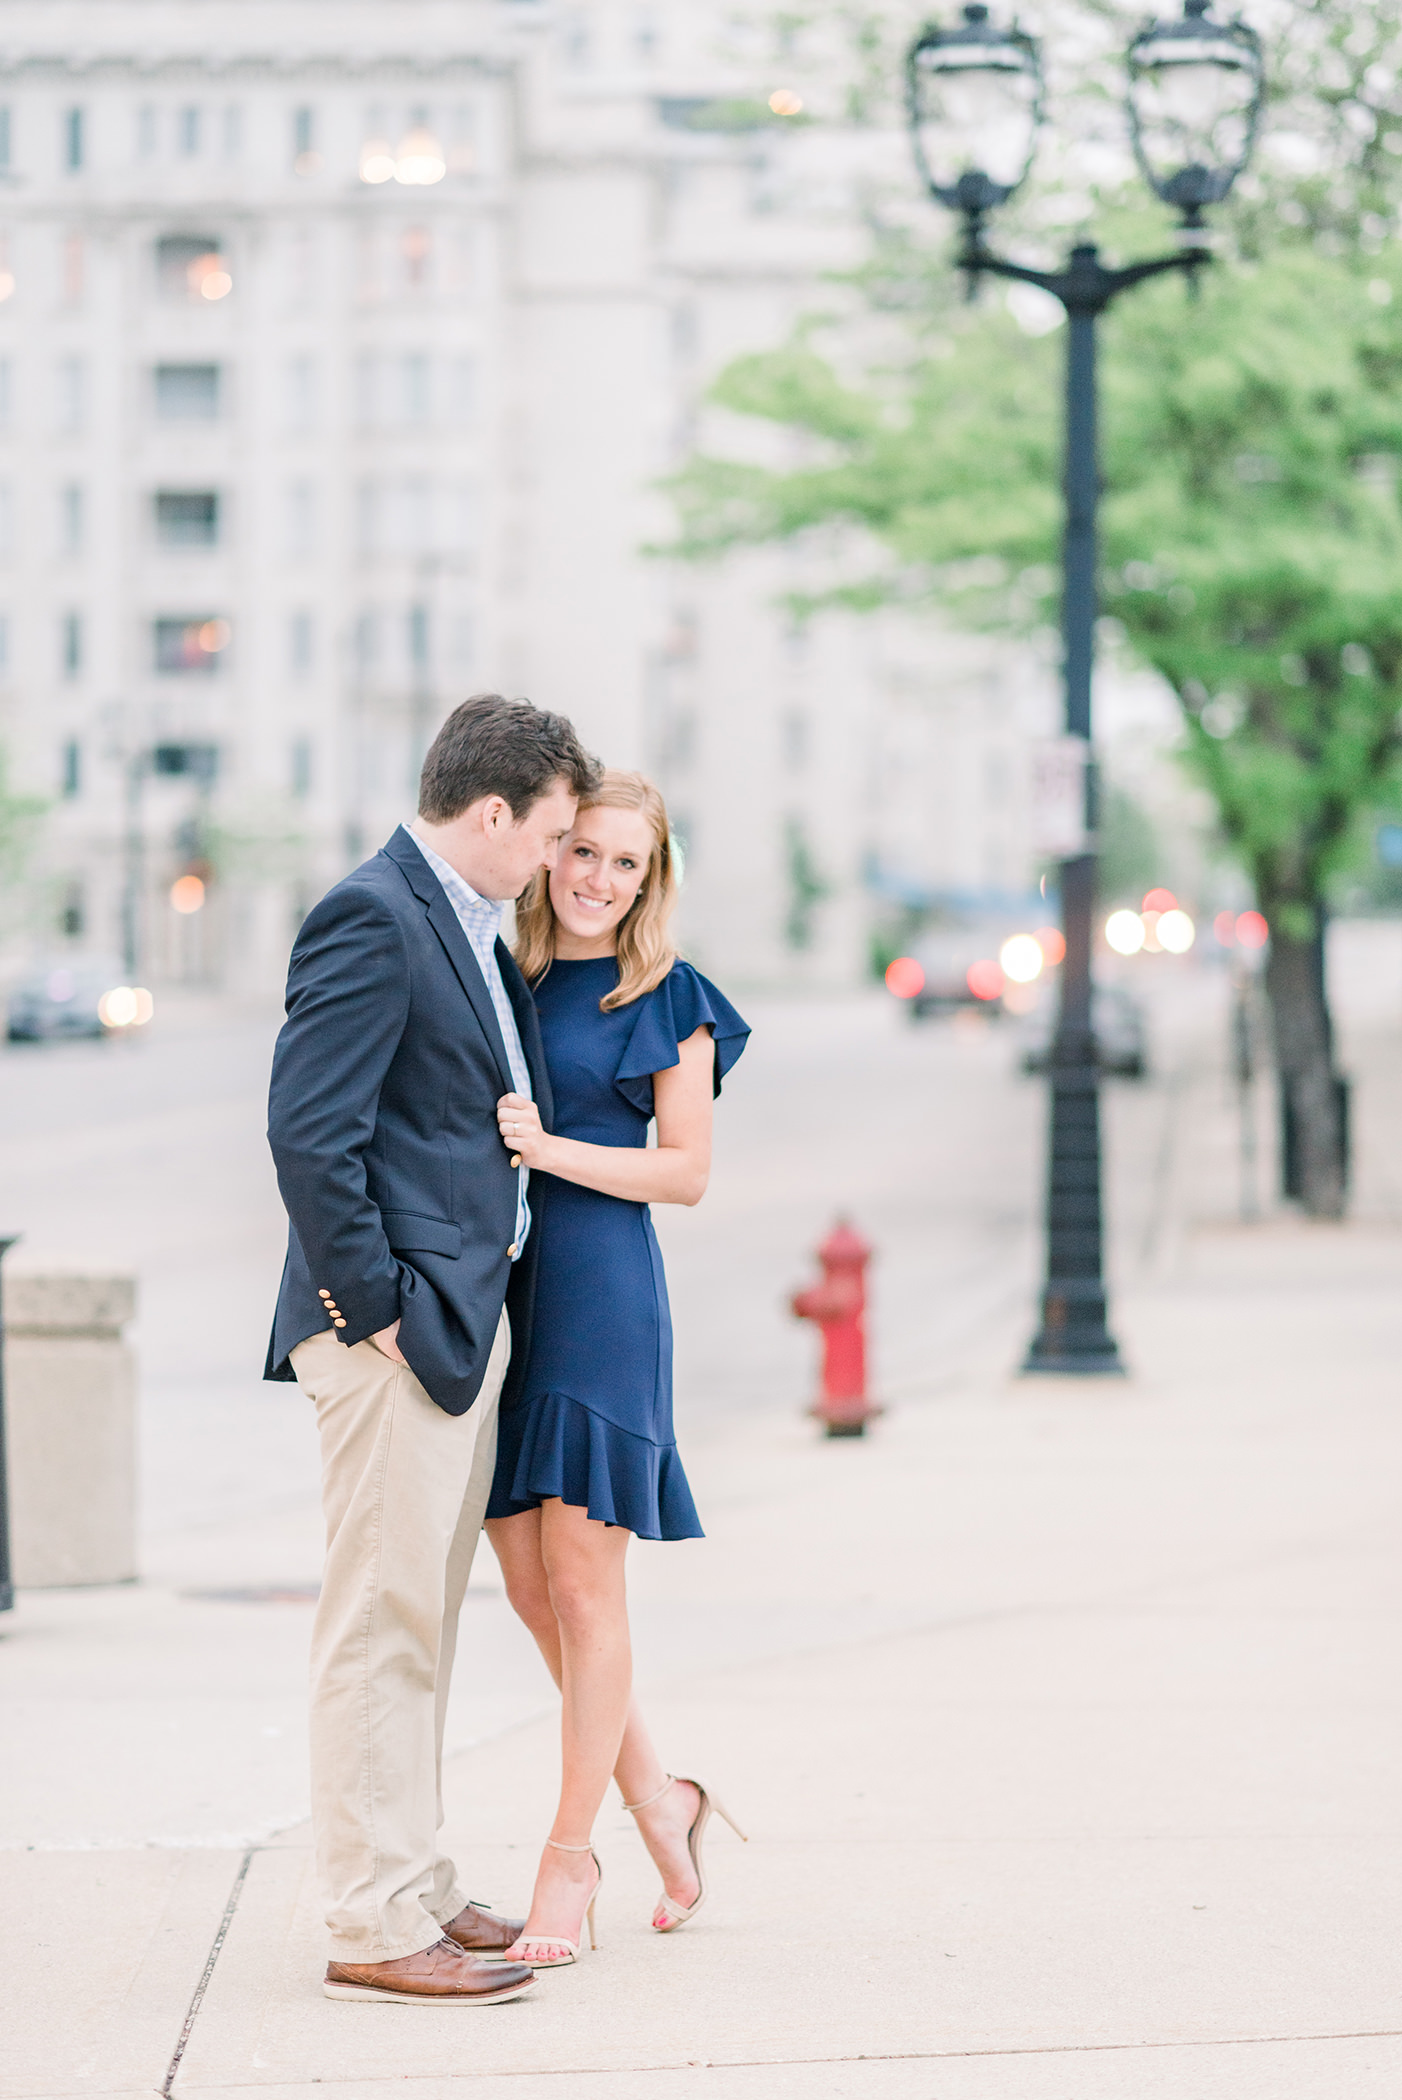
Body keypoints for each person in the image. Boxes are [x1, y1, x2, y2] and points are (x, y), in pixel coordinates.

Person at [265, 693, 602, 2006]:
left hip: (451, 1329)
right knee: (374, 1627)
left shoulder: (460, 920)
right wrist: (376, 1307)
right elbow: (310, 1134)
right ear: (492, 811)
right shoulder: (373, 913)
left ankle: (411, 1878)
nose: (558, 863)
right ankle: (368, 1919)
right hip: (391, 1338)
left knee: (419, 1622)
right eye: (553, 834)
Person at [482, 769, 750, 1968]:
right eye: (583, 852)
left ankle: (566, 1861)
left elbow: (685, 1172)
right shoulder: (501, 974)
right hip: (500, 1302)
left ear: (653, 879)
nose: (599, 880)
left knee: (587, 1589)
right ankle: (663, 1803)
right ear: (548, 851)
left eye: (627, 863)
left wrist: (553, 1148)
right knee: (534, 1590)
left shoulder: (666, 995)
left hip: (598, 1294)